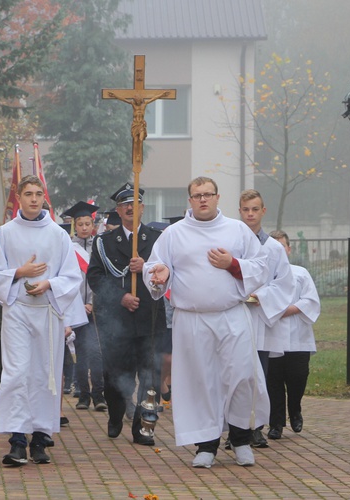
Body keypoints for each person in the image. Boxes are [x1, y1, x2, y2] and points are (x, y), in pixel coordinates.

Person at [143, 176, 270, 468]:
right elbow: (156, 264)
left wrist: (233, 265)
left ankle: (240, 440)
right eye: (197, 195)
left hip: (231, 316)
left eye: (208, 194)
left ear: (217, 197)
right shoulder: (174, 234)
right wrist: (160, 273)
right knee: (202, 381)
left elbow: (262, 266)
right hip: (192, 319)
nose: (203, 199)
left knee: (242, 376)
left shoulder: (237, 230)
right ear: (190, 200)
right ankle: (207, 445)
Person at [0, 175, 86, 466]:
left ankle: (39, 439)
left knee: (45, 373)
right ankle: (17, 440)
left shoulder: (57, 234)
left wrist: (49, 284)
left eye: (39, 193)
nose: (34, 199)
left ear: (44, 197)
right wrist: (19, 273)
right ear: (18, 197)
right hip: (17, 310)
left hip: (48, 312)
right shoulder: (6, 232)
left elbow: (72, 276)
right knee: (16, 372)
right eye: (28, 193)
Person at [87, 185, 167, 446]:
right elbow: (95, 277)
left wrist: (147, 267)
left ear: (143, 208)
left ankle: (142, 429)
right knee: (114, 377)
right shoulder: (104, 242)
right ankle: (116, 413)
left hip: (149, 318)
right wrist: (120, 297)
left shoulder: (158, 239)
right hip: (117, 322)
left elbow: (169, 272)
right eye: (125, 205)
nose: (131, 208)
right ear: (119, 211)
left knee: (150, 376)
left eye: (136, 203)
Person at [238, 189, 295, 449]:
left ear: (263, 211)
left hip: (260, 317)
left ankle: (256, 428)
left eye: (255, 209)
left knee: (259, 377)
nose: (250, 214)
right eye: (245, 209)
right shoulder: (233, 242)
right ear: (240, 211)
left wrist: (258, 296)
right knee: (237, 376)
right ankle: (236, 429)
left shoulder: (273, 248)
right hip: (235, 316)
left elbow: (284, 283)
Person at [267, 230, 320, 440]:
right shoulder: (265, 275)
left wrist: (289, 310)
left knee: (298, 378)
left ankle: (295, 408)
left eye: (283, 247)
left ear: (288, 250)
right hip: (272, 335)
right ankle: (276, 424)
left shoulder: (301, 273)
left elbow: (311, 300)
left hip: (298, 336)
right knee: (274, 381)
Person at [62, 201, 106, 412]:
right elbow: (68, 281)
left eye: (88, 223)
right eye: (80, 224)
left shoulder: (100, 246)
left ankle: (99, 395)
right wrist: (80, 305)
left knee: (96, 353)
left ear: (93, 224)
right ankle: (83, 396)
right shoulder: (69, 248)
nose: (85, 227)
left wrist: (92, 302)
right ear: (75, 226)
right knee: (80, 353)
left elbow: (103, 279)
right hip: (76, 307)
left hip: (96, 308)